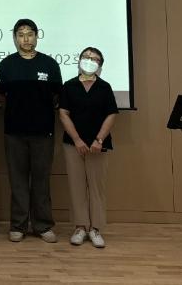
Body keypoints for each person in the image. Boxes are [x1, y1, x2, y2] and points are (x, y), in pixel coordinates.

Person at [0, 18, 63, 243]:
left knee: (41, 181)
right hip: (14, 132)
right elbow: (1, 95)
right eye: (21, 34)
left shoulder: (49, 64)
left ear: (37, 36)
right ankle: (18, 225)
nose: (26, 38)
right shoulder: (6, 65)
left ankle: (43, 225)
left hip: (43, 132)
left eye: (30, 34)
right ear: (15, 38)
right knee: (18, 181)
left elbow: (57, 95)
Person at [58, 47, 118, 249]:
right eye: (86, 57)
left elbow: (111, 114)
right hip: (73, 144)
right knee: (76, 186)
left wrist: (99, 139)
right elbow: (63, 114)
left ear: (100, 65)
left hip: (97, 145)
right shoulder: (69, 85)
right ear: (79, 60)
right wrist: (76, 139)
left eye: (95, 59)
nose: (90, 60)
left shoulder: (104, 87)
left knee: (96, 187)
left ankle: (95, 228)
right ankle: (80, 227)